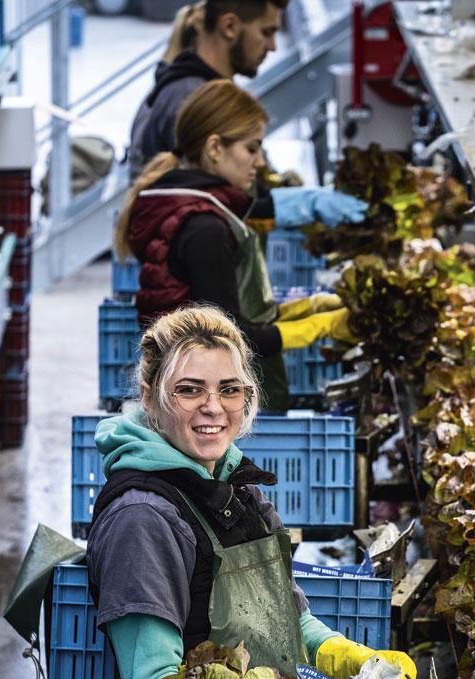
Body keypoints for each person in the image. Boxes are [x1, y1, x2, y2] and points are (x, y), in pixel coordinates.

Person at [85, 306, 416, 679]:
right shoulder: (142, 518)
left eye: (229, 389)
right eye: (189, 390)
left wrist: (342, 654)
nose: (213, 407)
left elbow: (288, 622)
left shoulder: (237, 488)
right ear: (150, 394)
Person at [115, 79, 366, 412]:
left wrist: (310, 307)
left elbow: (222, 311)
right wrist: (319, 326)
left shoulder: (190, 201)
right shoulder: (204, 229)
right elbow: (232, 340)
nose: (260, 162)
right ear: (215, 148)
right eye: (252, 148)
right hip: (206, 407)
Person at [129, 0, 287, 178]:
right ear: (229, 27)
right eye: (266, 32)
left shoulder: (187, 87)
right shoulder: (191, 99)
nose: (273, 46)